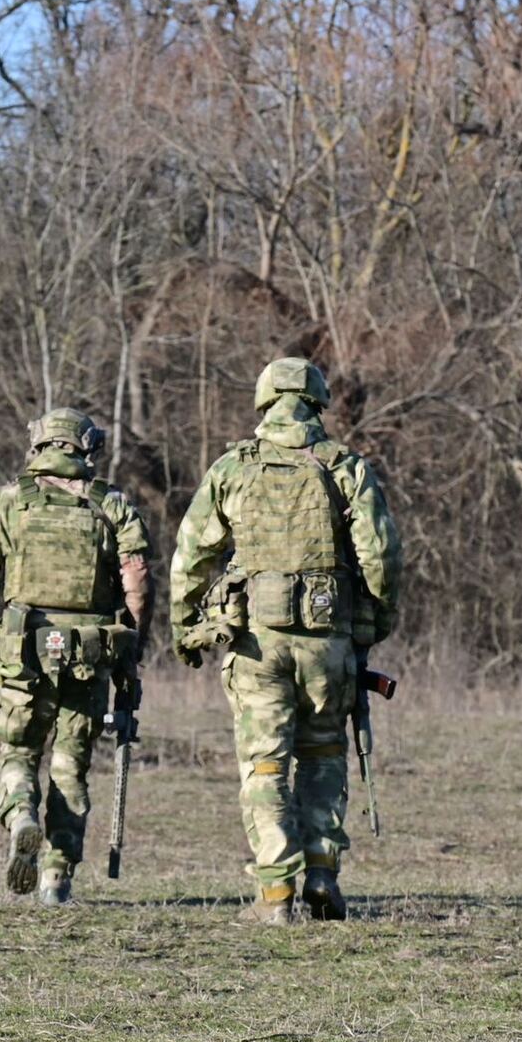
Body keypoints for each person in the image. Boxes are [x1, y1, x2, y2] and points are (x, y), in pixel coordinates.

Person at [169, 358, 401, 924]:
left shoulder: (234, 468)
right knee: (324, 755)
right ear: (318, 403)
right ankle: (321, 874)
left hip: (256, 644)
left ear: (265, 400)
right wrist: (373, 621)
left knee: (266, 766)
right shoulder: (344, 466)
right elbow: (381, 555)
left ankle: (275, 894)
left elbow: (191, 554)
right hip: (329, 645)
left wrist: (184, 625)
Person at [0, 409, 153, 904]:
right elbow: (138, 585)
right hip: (89, 655)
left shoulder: (6, 504)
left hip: (23, 653)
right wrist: (129, 655)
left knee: (19, 752)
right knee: (70, 765)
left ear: (38, 447)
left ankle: (21, 815)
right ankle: (56, 878)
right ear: (86, 449)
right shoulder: (111, 507)